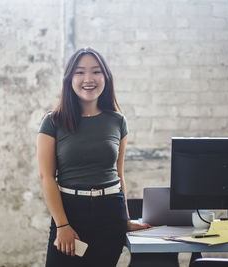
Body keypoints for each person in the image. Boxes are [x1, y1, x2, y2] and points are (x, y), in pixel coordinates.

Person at [37, 47, 150, 267]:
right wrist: (62, 226)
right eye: (79, 72)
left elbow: (118, 174)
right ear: (69, 78)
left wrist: (125, 219)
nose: (88, 79)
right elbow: (47, 177)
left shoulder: (117, 121)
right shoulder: (53, 121)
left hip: (110, 213)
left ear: (105, 77)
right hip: (70, 212)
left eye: (96, 71)